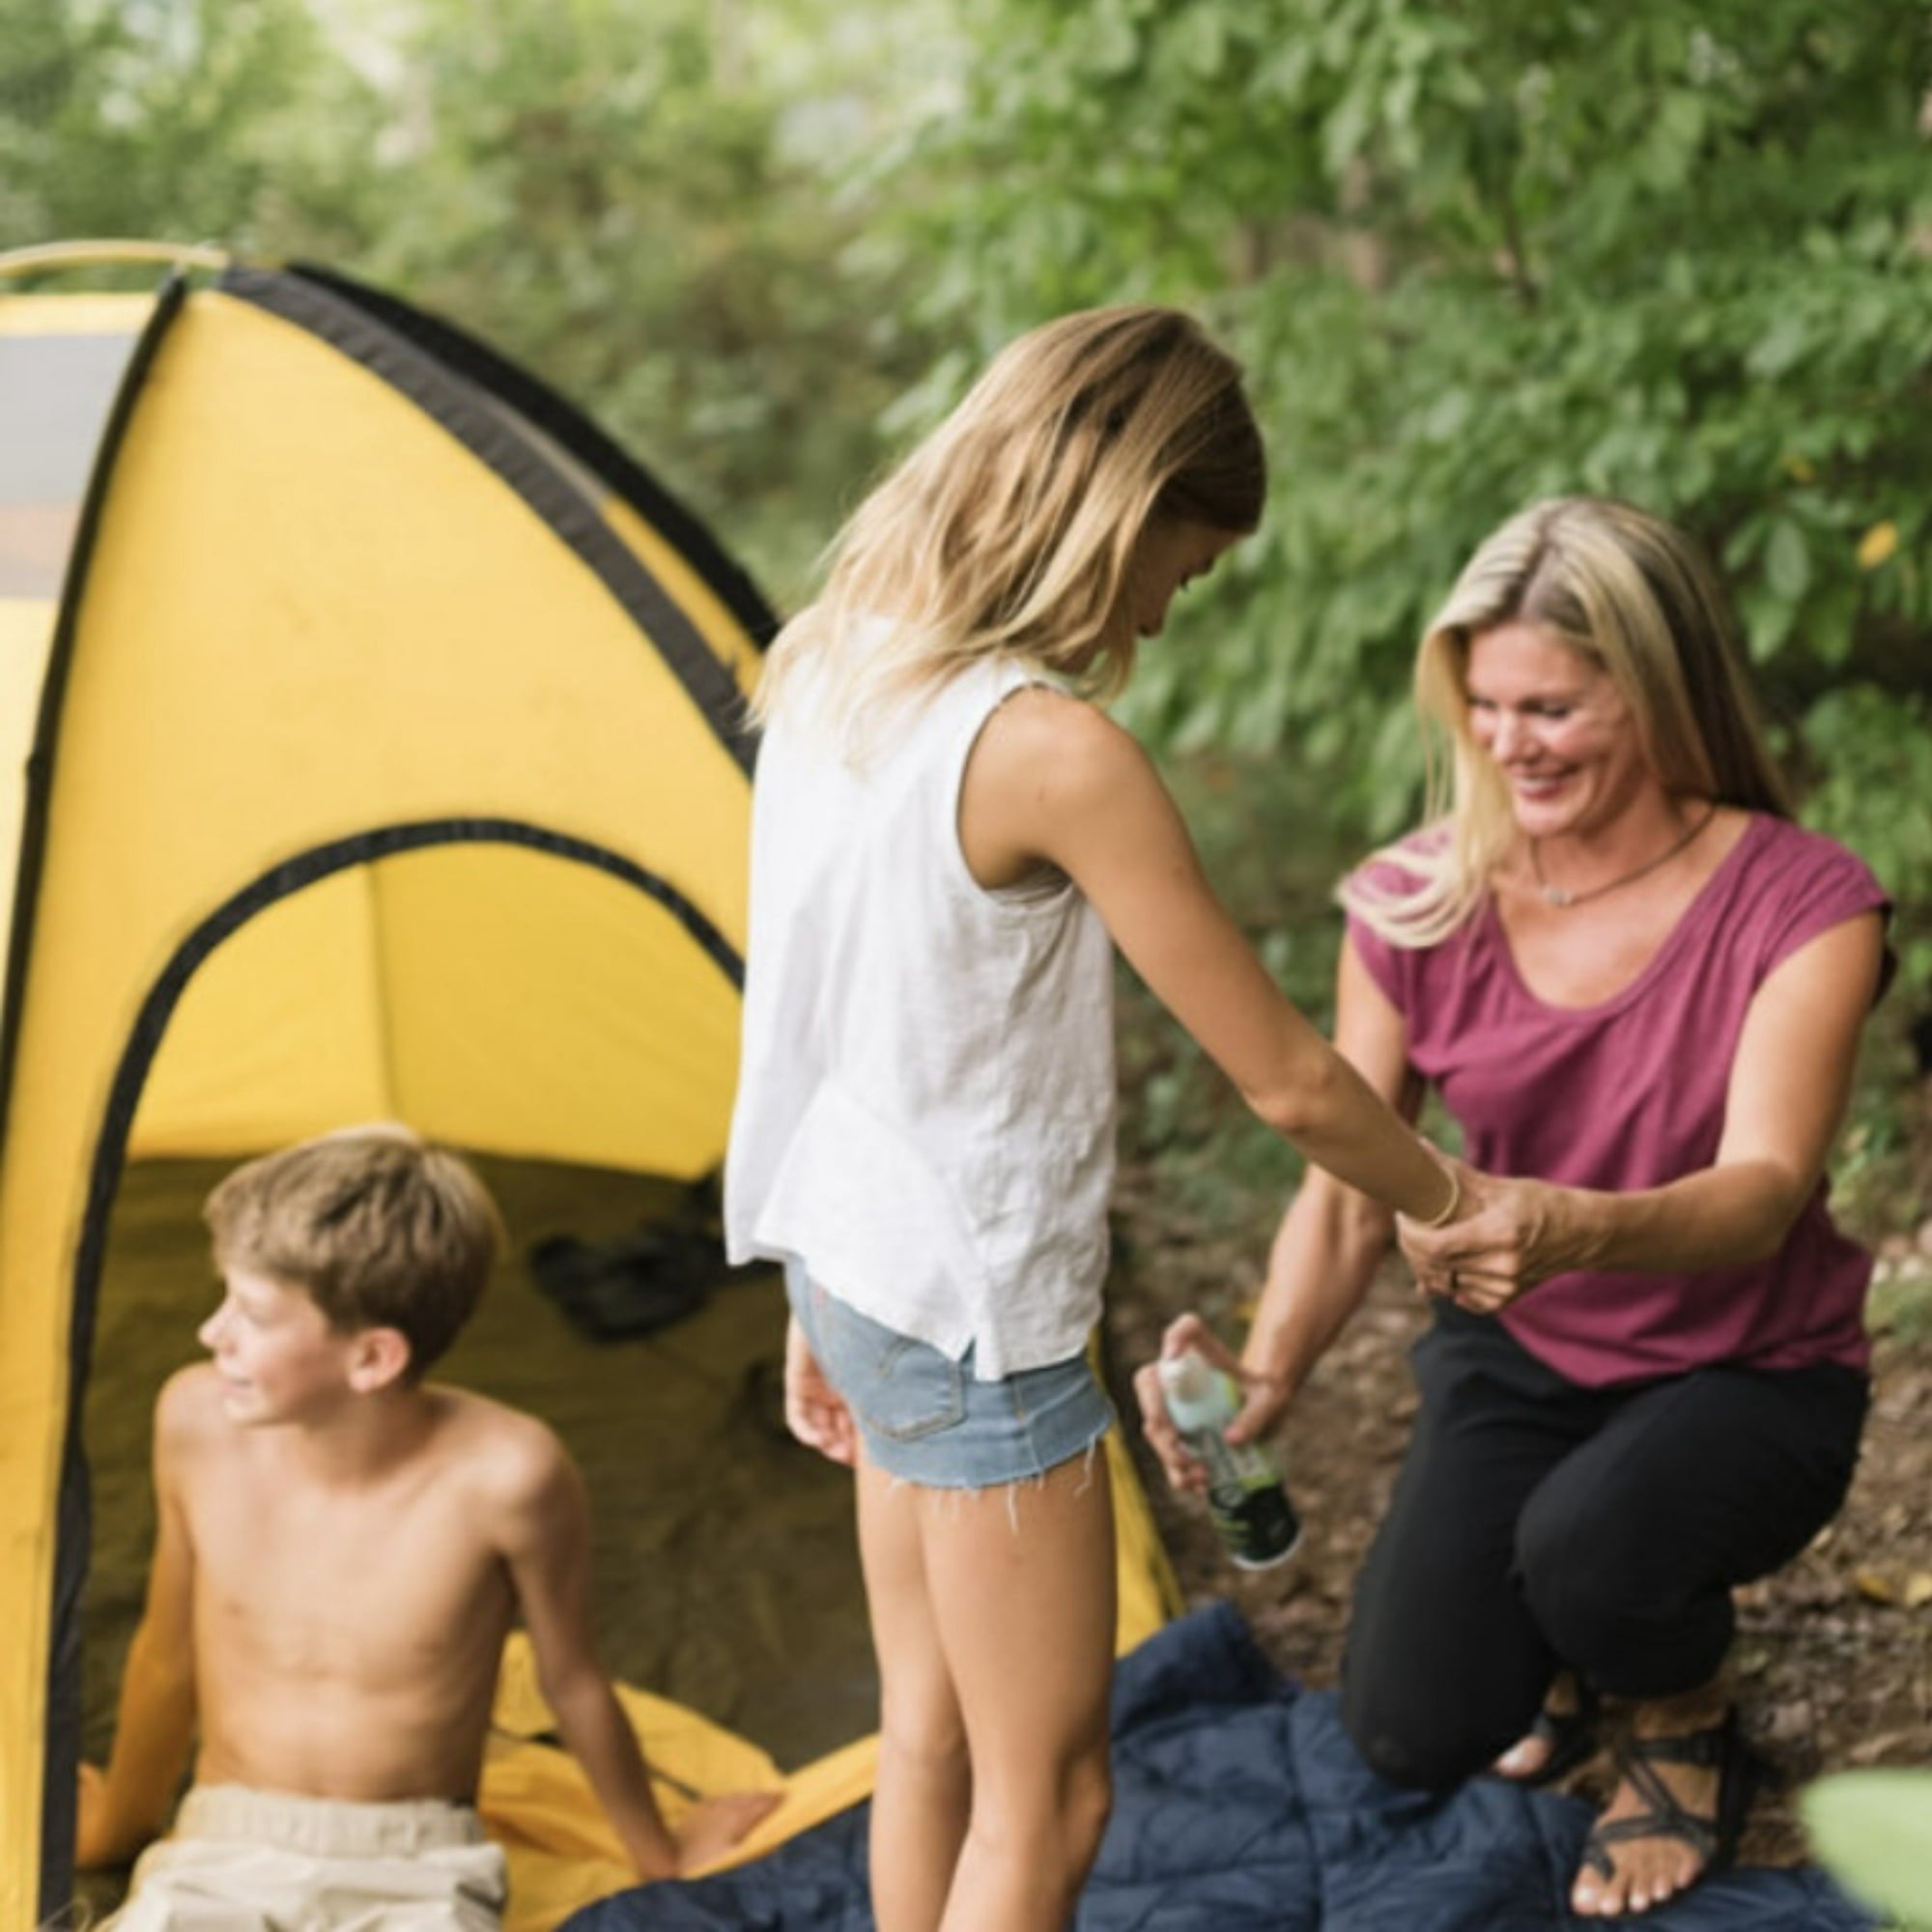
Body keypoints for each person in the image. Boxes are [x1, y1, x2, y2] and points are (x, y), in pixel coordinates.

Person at [723, 306, 1526, 1932]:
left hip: (862, 1272)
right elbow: (1293, 1079)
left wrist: (815, 1283)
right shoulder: (1050, 751)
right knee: (1056, 1789)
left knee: (929, 1736)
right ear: (1121, 506)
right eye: (1188, 562)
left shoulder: (832, 662)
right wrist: (1454, 1200)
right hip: (975, 1321)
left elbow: (802, 999)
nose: (1168, 608)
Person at [1136, 497, 1890, 1919]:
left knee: (1591, 1546)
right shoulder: (1419, 901)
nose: (1506, 742)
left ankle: (1681, 1715)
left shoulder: (1803, 903)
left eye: (1551, 705)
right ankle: (1567, 1623)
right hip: (1524, 1360)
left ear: (1657, 692)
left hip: (1749, 1363)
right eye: (1482, 705)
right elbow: (1348, 1192)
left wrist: (1570, 1226)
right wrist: (1266, 1374)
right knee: (1410, 1733)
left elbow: (1763, 1195)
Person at [78, 1123, 777, 1928]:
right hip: (225, 1844)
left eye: (254, 1313)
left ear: (372, 1358)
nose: (213, 1332)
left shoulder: (508, 1476)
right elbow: (166, 1652)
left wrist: (663, 1856)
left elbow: (572, 1679)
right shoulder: (193, 1421)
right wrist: (112, 1832)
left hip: (416, 1865)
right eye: (223, 1296)